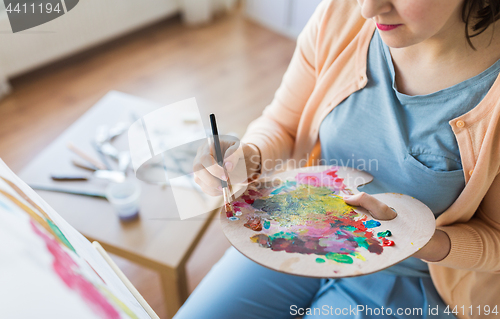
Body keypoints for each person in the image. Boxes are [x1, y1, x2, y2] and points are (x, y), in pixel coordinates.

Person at [177, 0, 500, 318]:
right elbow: (283, 122)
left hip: (412, 276)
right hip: (300, 226)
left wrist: (413, 237)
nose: (367, 9)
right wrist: (248, 157)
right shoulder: (340, 15)